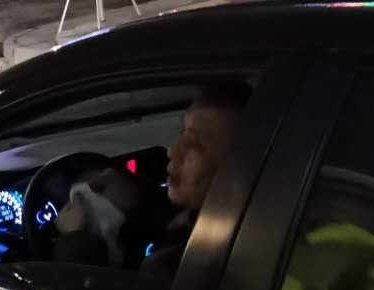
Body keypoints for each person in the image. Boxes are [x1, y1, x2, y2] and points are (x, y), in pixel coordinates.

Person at [55, 82, 251, 276]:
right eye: (182, 133)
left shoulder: (174, 268)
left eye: (194, 144)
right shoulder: (215, 223)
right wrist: (135, 196)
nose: (172, 151)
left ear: (236, 168)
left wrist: (76, 242)